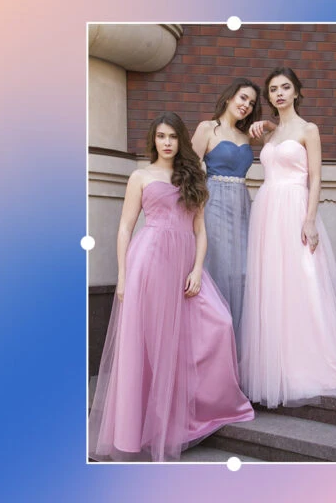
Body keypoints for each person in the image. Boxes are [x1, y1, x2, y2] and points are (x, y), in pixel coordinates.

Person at [88, 112, 254, 462]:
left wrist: (196, 269)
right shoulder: (140, 176)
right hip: (148, 262)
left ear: (181, 140)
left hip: (185, 266)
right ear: (154, 140)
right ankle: (146, 428)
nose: (166, 142)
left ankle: (204, 407)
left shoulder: (192, 177)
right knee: (149, 342)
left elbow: (200, 231)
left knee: (219, 323)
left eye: (172, 137)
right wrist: (122, 275)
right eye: (161, 136)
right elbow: (124, 227)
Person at [239, 68, 336, 408]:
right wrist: (265, 128)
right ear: (268, 97)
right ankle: (277, 366)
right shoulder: (269, 132)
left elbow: (315, 179)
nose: (279, 93)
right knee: (273, 286)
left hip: (296, 207)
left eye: (285, 87)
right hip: (267, 210)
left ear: (297, 92)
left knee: (304, 282)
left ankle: (313, 364)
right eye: (273, 90)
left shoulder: (309, 130)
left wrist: (309, 220)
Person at [191, 78, 272, 354]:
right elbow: (188, 172)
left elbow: (279, 137)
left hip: (242, 206)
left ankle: (238, 355)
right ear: (229, 97)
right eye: (242, 98)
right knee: (219, 272)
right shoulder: (207, 128)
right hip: (214, 205)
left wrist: (270, 126)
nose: (246, 105)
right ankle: (211, 353)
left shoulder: (248, 135)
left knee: (243, 275)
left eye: (251, 103)